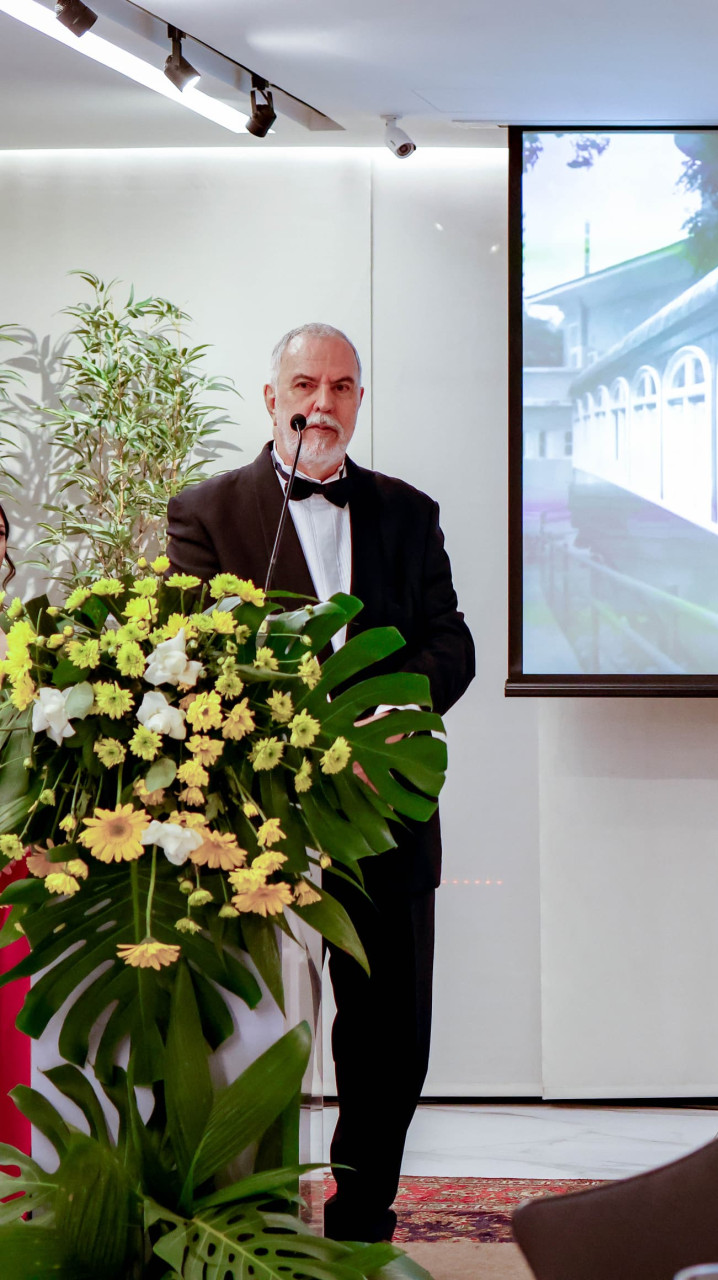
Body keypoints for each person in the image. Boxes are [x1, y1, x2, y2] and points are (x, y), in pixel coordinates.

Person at [166, 323, 475, 1243]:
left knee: (388, 1039)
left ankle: (363, 1213)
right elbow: (192, 660)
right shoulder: (207, 513)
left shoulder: (408, 512)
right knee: (253, 1029)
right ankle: (247, 1215)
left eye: (342, 387)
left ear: (358, 402)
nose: (322, 403)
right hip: (253, 830)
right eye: (305, 384)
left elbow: (451, 643)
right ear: (271, 399)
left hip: (383, 815)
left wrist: (386, 705)